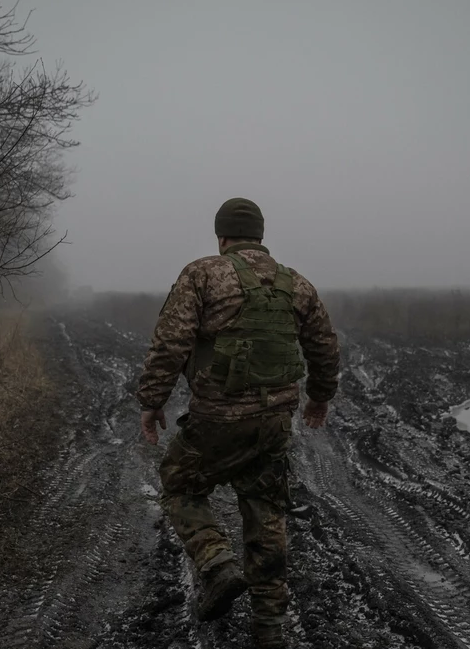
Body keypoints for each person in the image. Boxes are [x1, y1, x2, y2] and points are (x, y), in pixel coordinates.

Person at [137, 197, 340, 649]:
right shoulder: (296, 283)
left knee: (179, 482)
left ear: (221, 236)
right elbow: (325, 346)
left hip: (216, 421)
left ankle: (215, 562)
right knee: (267, 514)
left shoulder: (203, 273)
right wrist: (320, 399)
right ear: (260, 236)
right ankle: (269, 631)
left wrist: (152, 401)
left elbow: (171, 343)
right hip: (273, 424)